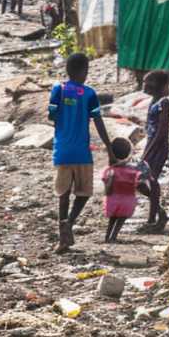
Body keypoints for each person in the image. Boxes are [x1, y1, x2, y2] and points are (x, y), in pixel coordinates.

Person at [49, 52, 112, 253]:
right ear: (85, 71)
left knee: (63, 194)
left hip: (62, 151)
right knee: (84, 193)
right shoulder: (90, 94)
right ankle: (70, 222)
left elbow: (52, 115)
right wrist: (109, 147)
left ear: (67, 70)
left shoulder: (58, 89)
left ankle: (62, 238)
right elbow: (98, 121)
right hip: (83, 153)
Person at [136, 70, 169, 233]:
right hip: (151, 145)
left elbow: (162, 132)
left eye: (148, 82)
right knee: (140, 182)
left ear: (159, 85)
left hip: (159, 147)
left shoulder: (164, 102)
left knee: (151, 180)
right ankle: (160, 212)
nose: (145, 85)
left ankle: (152, 220)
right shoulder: (154, 101)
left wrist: (148, 151)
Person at [101, 138, 147, 244]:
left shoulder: (110, 170)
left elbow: (105, 182)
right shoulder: (132, 170)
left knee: (112, 219)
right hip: (127, 201)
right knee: (121, 219)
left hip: (112, 200)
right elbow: (138, 183)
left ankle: (107, 236)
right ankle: (114, 236)